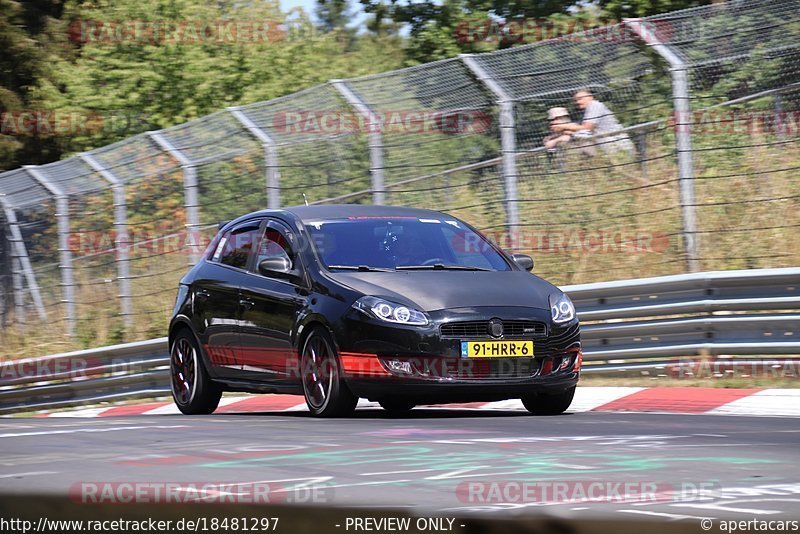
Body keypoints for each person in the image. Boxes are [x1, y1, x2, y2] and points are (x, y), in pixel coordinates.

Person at [551, 89, 634, 154]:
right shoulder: (588, 111)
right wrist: (562, 130)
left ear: (590, 97)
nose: (578, 102)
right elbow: (582, 131)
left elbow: (587, 128)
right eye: (576, 100)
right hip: (610, 145)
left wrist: (563, 126)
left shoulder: (594, 105)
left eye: (580, 98)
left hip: (618, 144)